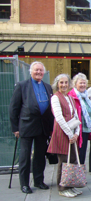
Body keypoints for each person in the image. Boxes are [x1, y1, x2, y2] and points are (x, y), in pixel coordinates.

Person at [9, 61, 54, 194]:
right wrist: (15, 128)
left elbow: (50, 109)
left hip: (42, 127)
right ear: (31, 71)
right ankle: (24, 184)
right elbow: (13, 108)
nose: (39, 72)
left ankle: (39, 180)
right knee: (25, 156)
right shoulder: (22, 86)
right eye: (36, 70)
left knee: (40, 156)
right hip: (26, 126)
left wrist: (51, 128)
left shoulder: (47, 87)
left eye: (41, 70)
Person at [47, 74, 82, 198]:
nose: (64, 85)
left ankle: (71, 185)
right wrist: (70, 133)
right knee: (63, 162)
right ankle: (62, 188)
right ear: (57, 84)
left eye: (66, 82)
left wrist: (77, 133)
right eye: (61, 82)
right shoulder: (55, 98)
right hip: (63, 133)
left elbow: (76, 116)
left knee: (72, 160)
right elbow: (59, 117)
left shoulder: (70, 97)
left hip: (72, 134)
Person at [68, 73, 91, 165]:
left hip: (85, 129)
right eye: (80, 83)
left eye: (84, 83)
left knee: (82, 153)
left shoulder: (85, 96)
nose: (83, 85)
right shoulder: (71, 96)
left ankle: (80, 175)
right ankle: (74, 176)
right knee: (75, 154)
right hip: (75, 131)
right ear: (75, 84)